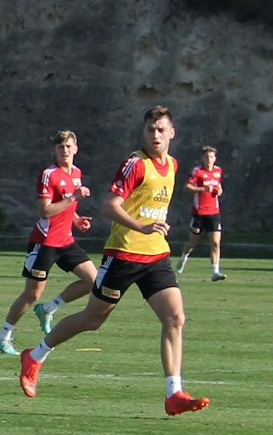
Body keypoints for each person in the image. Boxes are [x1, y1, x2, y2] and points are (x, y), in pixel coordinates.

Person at [19, 105, 209, 416]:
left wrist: (154, 227)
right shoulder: (135, 165)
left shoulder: (172, 165)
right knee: (92, 320)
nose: (156, 134)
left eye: (162, 129)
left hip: (156, 256)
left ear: (172, 132)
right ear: (143, 132)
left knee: (175, 318)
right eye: (151, 129)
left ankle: (174, 393)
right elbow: (109, 205)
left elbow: (150, 207)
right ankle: (36, 354)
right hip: (123, 255)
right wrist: (142, 226)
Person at [0, 129, 96, 355]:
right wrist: (74, 198)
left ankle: (49, 308)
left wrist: (77, 220)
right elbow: (45, 211)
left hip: (66, 240)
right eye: (61, 147)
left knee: (93, 281)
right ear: (54, 150)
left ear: (76, 148)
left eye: (69, 146)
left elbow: (66, 205)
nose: (65, 151)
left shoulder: (76, 172)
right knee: (32, 294)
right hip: (45, 242)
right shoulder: (49, 175)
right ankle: (3, 336)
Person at [177, 146, 226, 281]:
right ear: (202, 158)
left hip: (214, 212)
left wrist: (219, 191)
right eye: (206, 157)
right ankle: (183, 258)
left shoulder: (218, 171)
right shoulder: (197, 171)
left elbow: (218, 186)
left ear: (215, 158)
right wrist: (202, 189)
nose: (209, 159)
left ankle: (215, 271)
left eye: (211, 157)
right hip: (199, 212)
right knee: (192, 243)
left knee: (215, 243)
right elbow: (187, 186)